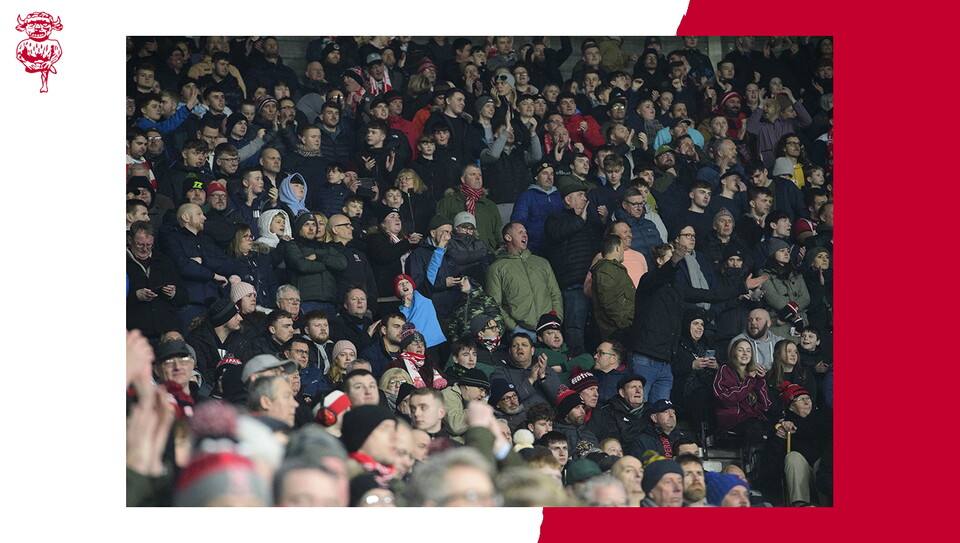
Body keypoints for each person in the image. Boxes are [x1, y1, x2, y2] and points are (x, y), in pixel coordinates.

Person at [628, 241, 766, 403]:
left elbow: (711, 295)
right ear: (659, 261)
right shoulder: (648, 281)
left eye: (677, 260)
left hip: (665, 361)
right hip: (645, 357)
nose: (677, 263)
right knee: (637, 405)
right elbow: (660, 276)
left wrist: (742, 286)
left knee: (661, 410)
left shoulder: (677, 288)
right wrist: (674, 260)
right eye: (671, 258)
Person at [485, 222, 564, 338]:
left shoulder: (542, 262)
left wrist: (556, 320)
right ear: (508, 237)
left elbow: (555, 294)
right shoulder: (496, 268)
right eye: (520, 232)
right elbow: (494, 304)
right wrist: (514, 327)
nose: (525, 235)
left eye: (526, 232)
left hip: (549, 330)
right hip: (521, 333)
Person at [771, 382, 831, 506]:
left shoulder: (824, 418)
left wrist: (797, 429)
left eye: (808, 398)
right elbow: (773, 462)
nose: (806, 402)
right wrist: (780, 436)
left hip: (822, 474)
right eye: (801, 399)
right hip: (799, 476)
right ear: (791, 406)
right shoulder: (784, 425)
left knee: (822, 462)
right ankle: (800, 505)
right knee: (793, 457)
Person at [127, 221, 187, 341]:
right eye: (140, 244)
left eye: (149, 245)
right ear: (129, 240)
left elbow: (184, 297)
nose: (145, 249)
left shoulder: (165, 262)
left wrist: (173, 293)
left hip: (166, 331)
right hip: (134, 333)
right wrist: (136, 296)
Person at [284, 212, 347, 315]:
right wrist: (328, 265)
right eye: (306, 225)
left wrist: (319, 258)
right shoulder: (293, 245)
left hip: (329, 301)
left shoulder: (326, 246)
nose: (311, 228)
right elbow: (302, 265)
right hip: (307, 301)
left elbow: (342, 263)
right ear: (299, 228)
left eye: (313, 225)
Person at [713, 338, 771, 445]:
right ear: (734, 353)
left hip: (750, 417)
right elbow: (725, 399)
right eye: (740, 350)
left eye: (748, 351)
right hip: (731, 418)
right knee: (754, 426)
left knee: (773, 427)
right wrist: (749, 381)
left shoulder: (753, 374)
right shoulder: (725, 369)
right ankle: (749, 456)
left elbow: (765, 406)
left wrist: (760, 380)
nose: (745, 353)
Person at [435, 164, 504, 253]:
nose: (478, 178)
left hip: (486, 253)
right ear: (463, 179)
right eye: (472, 174)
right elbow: (440, 229)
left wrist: (501, 247)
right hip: (456, 254)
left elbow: (498, 231)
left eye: (480, 175)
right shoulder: (447, 203)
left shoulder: (490, 205)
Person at [759, 239, 811, 338]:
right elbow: (772, 297)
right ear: (773, 254)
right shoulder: (764, 274)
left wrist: (793, 309)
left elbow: (805, 297)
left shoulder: (796, 273)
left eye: (788, 251)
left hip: (801, 325)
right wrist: (795, 317)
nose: (786, 254)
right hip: (777, 324)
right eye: (781, 251)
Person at [490, 334, 560, 408]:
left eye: (524, 345)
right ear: (510, 352)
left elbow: (559, 398)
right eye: (515, 346)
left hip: (547, 414)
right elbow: (505, 402)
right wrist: (531, 380)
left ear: (532, 351)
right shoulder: (500, 373)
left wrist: (543, 377)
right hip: (518, 415)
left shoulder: (546, 370)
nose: (520, 348)